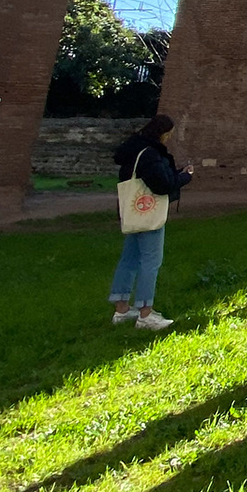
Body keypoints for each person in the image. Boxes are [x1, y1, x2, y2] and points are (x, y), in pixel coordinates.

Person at [109, 114, 192, 331]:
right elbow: (162, 184)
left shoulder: (133, 149)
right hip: (148, 212)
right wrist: (185, 177)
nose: (168, 138)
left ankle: (121, 309)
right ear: (162, 134)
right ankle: (145, 313)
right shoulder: (150, 153)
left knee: (129, 258)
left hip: (132, 211)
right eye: (168, 135)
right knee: (150, 261)